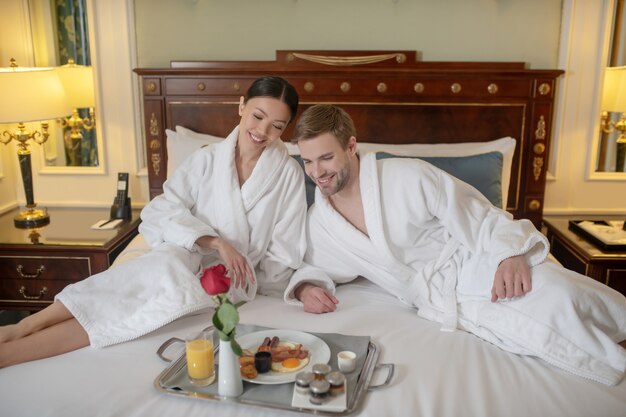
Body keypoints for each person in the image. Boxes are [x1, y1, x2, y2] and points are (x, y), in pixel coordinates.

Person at [284, 104, 626, 386]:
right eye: (307, 161)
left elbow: (480, 217)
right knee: (551, 328)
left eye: (326, 158)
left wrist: (511, 254)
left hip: (477, 265)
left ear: (351, 146)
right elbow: (313, 265)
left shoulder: (410, 176)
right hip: (441, 302)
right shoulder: (321, 221)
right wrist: (305, 288)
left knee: (562, 294)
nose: (316, 172)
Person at [0, 76, 307, 367]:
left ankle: (14, 348)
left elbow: (283, 252)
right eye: (257, 116)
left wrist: (272, 281)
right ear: (241, 106)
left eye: (276, 126)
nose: (262, 130)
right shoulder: (206, 159)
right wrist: (213, 241)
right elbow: (160, 211)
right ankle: (27, 325)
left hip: (230, 280)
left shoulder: (288, 174)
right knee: (161, 267)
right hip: (185, 253)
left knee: (128, 305)